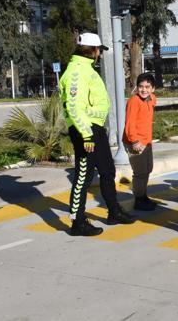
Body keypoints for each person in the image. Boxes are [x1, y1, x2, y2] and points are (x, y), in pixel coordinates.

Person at [60, 33, 135, 236]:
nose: (100, 54)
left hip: (95, 128)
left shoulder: (86, 69)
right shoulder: (76, 71)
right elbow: (75, 108)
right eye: (99, 50)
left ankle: (113, 211)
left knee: (107, 170)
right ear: (93, 50)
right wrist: (86, 134)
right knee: (83, 175)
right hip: (86, 130)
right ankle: (77, 222)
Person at [123, 73, 158, 211]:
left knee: (147, 170)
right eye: (141, 87)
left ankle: (143, 196)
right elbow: (129, 124)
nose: (144, 90)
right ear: (136, 88)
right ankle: (139, 199)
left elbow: (153, 102)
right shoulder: (134, 101)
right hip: (136, 142)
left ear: (153, 88)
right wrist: (134, 141)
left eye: (147, 87)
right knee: (140, 172)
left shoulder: (152, 99)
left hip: (147, 141)